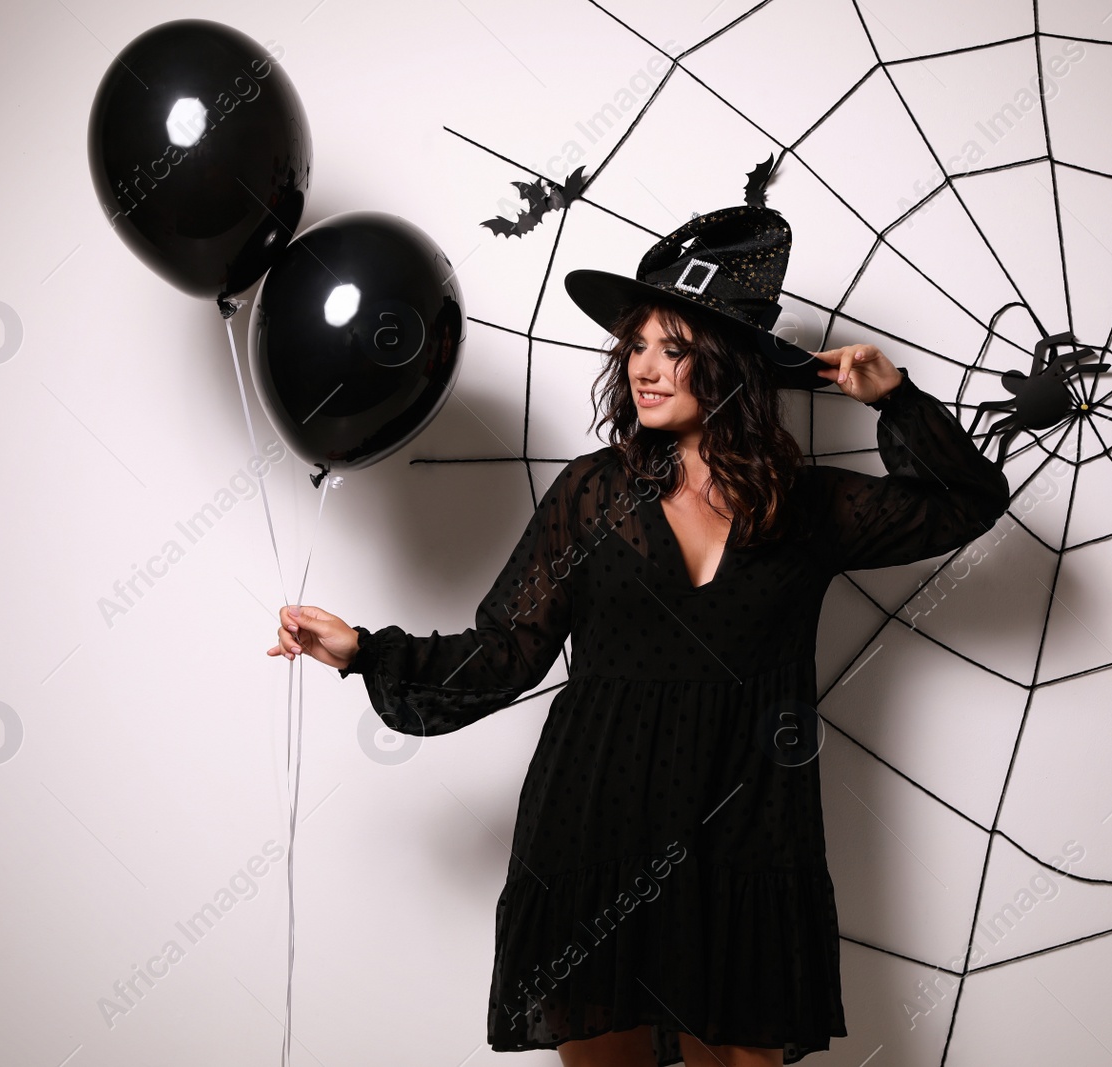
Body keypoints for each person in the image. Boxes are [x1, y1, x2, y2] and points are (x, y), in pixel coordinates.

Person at [265, 204, 1011, 1066]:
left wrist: (898, 399)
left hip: (748, 841)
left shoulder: (805, 507)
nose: (645, 369)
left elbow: (966, 502)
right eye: (637, 346)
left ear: (727, 365)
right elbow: (505, 649)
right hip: (598, 831)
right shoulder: (591, 495)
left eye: (674, 348)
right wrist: (366, 649)